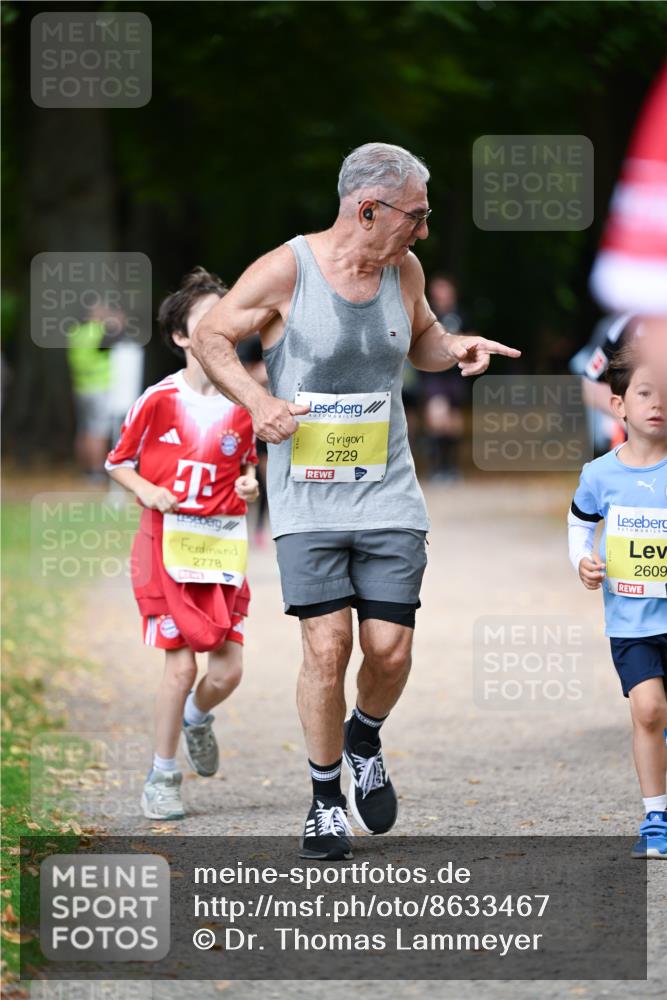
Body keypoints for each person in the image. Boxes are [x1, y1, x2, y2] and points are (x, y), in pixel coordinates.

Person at [192, 142, 520, 860]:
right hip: (306, 498)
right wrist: (255, 399)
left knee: (389, 650)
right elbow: (210, 333)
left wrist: (454, 346)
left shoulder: (403, 268)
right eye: (417, 216)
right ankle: (323, 799)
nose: (423, 232)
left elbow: (422, 341)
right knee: (327, 644)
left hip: (386, 489)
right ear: (367, 209)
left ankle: (363, 735)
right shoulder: (288, 270)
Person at [105, 268, 259, 820]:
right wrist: (149, 490)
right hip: (167, 548)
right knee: (180, 668)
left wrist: (249, 483)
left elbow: (245, 466)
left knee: (228, 672)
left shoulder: (245, 403)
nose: (220, 330)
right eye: (206, 322)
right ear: (181, 337)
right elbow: (117, 462)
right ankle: (162, 776)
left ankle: (197, 718)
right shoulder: (158, 400)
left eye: (228, 320)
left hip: (220, 548)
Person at [568, 343, 667, 859]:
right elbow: (580, 523)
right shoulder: (599, 474)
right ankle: (657, 817)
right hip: (631, 618)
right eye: (645, 393)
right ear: (620, 405)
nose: (657, 403)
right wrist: (582, 562)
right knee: (648, 710)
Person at [420, 274, 471, 481]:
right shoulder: (429, 315)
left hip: (455, 375)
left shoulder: (461, 314)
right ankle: (437, 467)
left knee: (453, 423)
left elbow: (472, 337)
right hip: (434, 376)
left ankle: (450, 466)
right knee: (437, 416)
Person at [67, 304, 125, 481]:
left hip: (81, 387)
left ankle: (85, 469)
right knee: (98, 430)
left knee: (84, 430)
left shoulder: (75, 332)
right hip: (100, 387)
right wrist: (117, 319)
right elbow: (119, 328)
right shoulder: (99, 331)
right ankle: (97, 471)